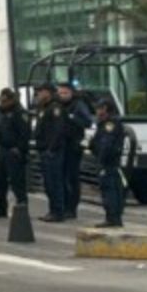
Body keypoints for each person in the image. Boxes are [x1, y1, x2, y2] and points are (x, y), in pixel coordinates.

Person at [0, 88, 30, 218]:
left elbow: (25, 133)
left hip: (14, 150)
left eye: (5, 101)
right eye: (1, 100)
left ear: (11, 100)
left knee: (17, 182)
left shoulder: (19, 112)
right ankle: (1, 208)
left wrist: (19, 148)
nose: (2, 103)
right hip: (2, 148)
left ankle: (22, 208)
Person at [57, 83, 93, 219]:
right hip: (61, 145)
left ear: (71, 93)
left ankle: (71, 208)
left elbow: (88, 121)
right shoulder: (58, 106)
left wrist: (72, 118)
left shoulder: (78, 105)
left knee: (71, 177)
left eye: (65, 93)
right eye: (60, 93)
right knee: (61, 176)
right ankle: (65, 205)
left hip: (73, 145)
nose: (62, 96)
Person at [32, 84, 66, 222]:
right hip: (44, 149)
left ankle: (57, 211)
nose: (38, 95)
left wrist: (51, 149)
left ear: (48, 93)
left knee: (54, 182)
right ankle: (52, 210)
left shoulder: (55, 108)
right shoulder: (43, 108)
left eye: (40, 92)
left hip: (53, 151)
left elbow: (58, 131)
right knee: (48, 183)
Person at [90, 99, 126, 228]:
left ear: (104, 109)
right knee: (111, 189)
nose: (97, 111)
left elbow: (106, 145)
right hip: (108, 162)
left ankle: (113, 217)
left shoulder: (110, 124)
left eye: (99, 108)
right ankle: (113, 217)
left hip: (108, 163)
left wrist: (101, 159)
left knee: (109, 190)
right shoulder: (104, 124)